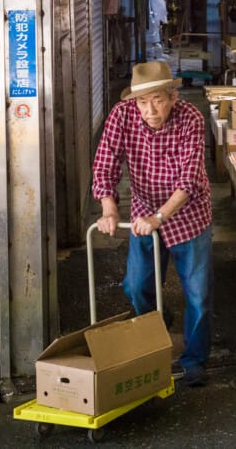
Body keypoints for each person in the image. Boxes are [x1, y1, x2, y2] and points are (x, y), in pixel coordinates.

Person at [92, 60, 213, 387]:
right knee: (135, 285)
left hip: (188, 213)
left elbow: (189, 180)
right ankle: (155, 326)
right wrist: (109, 209)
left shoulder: (191, 118)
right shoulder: (122, 114)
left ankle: (194, 360)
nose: (149, 110)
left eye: (157, 100)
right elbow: (105, 163)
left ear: (173, 97)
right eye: (142, 102)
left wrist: (159, 217)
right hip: (144, 208)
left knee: (198, 295)